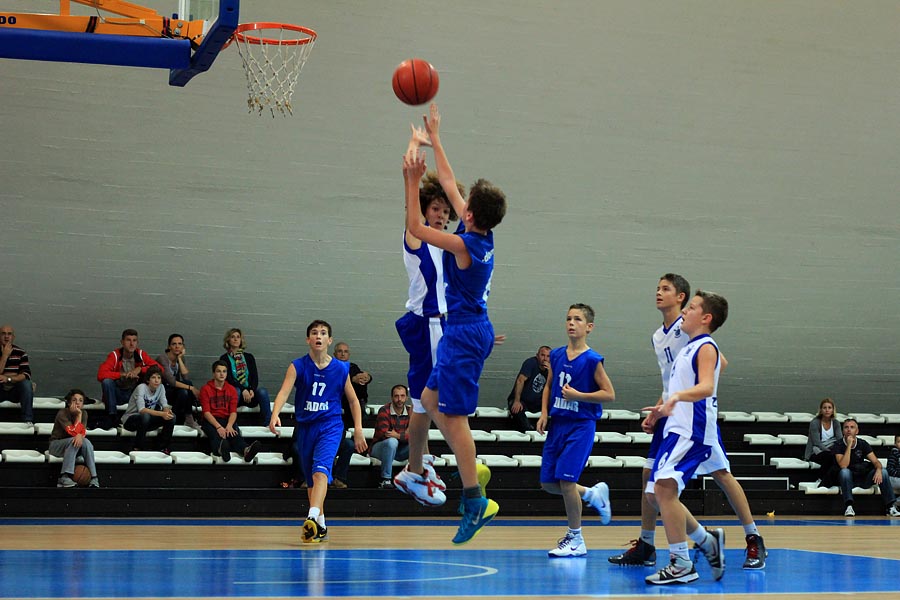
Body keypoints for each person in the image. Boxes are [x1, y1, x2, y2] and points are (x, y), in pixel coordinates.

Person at [395, 103, 507, 545]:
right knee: (428, 401)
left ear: (470, 215)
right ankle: (438, 466)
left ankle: (474, 498)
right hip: (470, 328)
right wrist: (435, 137)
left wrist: (408, 181)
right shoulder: (484, 233)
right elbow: (445, 180)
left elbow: (416, 227)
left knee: (453, 419)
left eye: (462, 207)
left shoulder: (463, 245)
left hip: (461, 333)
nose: (456, 208)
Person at [610, 274, 766, 571]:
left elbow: (717, 365)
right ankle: (648, 544)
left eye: (665, 289)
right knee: (650, 480)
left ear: (681, 298)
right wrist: (658, 408)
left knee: (720, 474)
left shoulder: (693, 334)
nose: (658, 292)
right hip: (672, 413)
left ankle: (753, 536)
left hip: (693, 416)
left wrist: (684, 396)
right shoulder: (659, 335)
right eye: (657, 287)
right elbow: (672, 381)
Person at [393, 127, 466, 504]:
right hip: (427, 324)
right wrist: (415, 148)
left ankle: (415, 469)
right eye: (434, 209)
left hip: (444, 324)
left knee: (423, 403)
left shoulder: (448, 244)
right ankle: (466, 464)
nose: (440, 215)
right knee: (440, 402)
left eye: (445, 210)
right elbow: (411, 187)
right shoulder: (416, 236)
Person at [643, 290, 730, 585]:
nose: (685, 311)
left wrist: (677, 397)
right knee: (655, 494)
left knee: (664, 490)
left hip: (692, 431)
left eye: (691, 308)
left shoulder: (707, 347)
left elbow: (706, 387)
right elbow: (673, 392)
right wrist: (659, 410)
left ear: (706, 318)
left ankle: (681, 563)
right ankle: (706, 541)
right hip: (675, 430)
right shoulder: (687, 349)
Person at [269, 320, 368, 544]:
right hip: (305, 427)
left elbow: (353, 401)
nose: (318, 336)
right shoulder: (297, 366)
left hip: (331, 425)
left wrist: (359, 429)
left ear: (329, 340)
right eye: (314, 333)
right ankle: (320, 524)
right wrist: (275, 413)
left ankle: (311, 516)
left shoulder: (341, 368)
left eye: (323, 333)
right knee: (312, 481)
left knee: (321, 471)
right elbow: (284, 392)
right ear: (308, 339)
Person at [536, 304, 614, 557]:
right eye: (568, 318)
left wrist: (579, 395)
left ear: (588, 327)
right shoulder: (557, 355)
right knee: (549, 484)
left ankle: (576, 538)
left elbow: (609, 394)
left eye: (577, 319)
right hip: (558, 424)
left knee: (567, 482)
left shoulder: (592, 360)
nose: (571, 322)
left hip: (581, 425)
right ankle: (592, 493)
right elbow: (549, 385)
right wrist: (545, 413)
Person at [832, 418, 900, 517]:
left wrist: (878, 469)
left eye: (852, 427)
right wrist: (849, 445)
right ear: (843, 431)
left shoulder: (862, 444)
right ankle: (849, 506)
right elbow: (843, 465)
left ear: (857, 431)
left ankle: (890, 507)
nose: (849, 430)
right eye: (846, 427)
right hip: (847, 480)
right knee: (844, 472)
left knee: (884, 472)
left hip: (862, 477)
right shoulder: (838, 445)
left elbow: (876, 462)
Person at [198, 360, 261, 463]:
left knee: (234, 434)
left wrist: (229, 425)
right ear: (214, 373)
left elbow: (233, 412)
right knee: (215, 434)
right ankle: (221, 450)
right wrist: (218, 427)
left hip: (227, 419)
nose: (222, 374)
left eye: (224, 371)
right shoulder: (205, 389)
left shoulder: (232, 390)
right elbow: (206, 412)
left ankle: (246, 451)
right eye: (219, 371)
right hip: (211, 420)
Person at [97, 328, 160, 426]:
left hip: (134, 394)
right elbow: (101, 374)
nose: (132, 344)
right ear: (122, 342)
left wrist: (140, 369)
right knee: (107, 382)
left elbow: (159, 368)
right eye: (128, 340)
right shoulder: (115, 355)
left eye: (134, 341)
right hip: (118, 394)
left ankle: (154, 412)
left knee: (153, 379)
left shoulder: (140, 354)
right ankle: (112, 416)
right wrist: (122, 374)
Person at [331, 342, 372, 488]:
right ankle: (326, 476)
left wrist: (366, 377)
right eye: (340, 351)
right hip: (333, 413)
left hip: (350, 410)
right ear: (334, 354)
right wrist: (352, 379)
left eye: (345, 351)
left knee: (348, 444)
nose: (343, 354)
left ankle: (339, 478)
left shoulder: (352, 367)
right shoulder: (330, 366)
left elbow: (361, 377)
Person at [220, 328, 272, 426]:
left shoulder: (249, 357)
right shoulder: (224, 358)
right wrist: (243, 389)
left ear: (241, 340)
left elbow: (254, 377)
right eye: (233, 337)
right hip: (236, 395)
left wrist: (251, 389)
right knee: (236, 390)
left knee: (262, 391)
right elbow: (228, 379)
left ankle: (268, 423)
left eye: (238, 337)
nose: (236, 339)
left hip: (250, 394)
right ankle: (231, 423)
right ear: (228, 340)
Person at [48, 389, 99, 488]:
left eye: (80, 400)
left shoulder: (84, 413)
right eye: (74, 400)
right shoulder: (62, 413)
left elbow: (81, 433)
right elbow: (72, 432)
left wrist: (80, 417)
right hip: (56, 445)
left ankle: (94, 477)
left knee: (87, 442)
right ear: (69, 402)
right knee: (73, 440)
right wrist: (78, 416)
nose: (78, 403)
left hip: (73, 446)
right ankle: (64, 476)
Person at [121, 365, 175, 453]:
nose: (157, 380)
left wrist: (167, 411)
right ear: (148, 380)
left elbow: (165, 404)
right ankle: (138, 447)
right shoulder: (141, 388)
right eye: (153, 377)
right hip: (131, 420)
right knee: (145, 416)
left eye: (159, 378)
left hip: (147, 421)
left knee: (172, 417)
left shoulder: (161, 387)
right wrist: (162, 414)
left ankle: (162, 447)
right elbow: (141, 410)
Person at [156, 333, 201, 430]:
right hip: (162, 391)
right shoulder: (162, 358)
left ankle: (180, 418)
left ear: (183, 346)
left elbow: (185, 377)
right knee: (188, 387)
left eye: (180, 344)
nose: (177, 346)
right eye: (174, 344)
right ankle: (187, 417)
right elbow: (171, 381)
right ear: (169, 346)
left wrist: (180, 359)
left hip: (173, 391)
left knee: (184, 391)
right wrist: (191, 388)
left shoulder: (180, 358)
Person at [371, 385, 412, 489]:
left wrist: (398, 435)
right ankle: (386, 479)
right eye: (396, 396)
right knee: (392, 442)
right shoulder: (384, 410)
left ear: (406, 398)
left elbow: (414, 435)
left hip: (400, 450)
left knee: (418, 443)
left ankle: (414, 479)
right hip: (380, 448)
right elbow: (386, 434)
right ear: (391, 397)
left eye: (402, 396)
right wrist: (405, 434)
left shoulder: (411, 411)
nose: (399, 399)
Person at [507, 346, 550, 433]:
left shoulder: (551, 369)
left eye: (548, 356)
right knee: (516, 409)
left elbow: (555, 387)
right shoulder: (531, 363)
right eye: (542, 355)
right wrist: (516, 400)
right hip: (523, 401)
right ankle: (528, 430)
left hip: (537, 403)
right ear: (537, 355)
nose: (545, 359)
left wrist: (551, 373)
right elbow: (520, 380)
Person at [803, 397, 842, 487]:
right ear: (821, 410)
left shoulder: (836, 423)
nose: (827, 410)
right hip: (816, 451)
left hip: (832, 449)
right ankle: (820, 479)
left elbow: (839, 440)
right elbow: (817, 442)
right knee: (831, 457)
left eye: (829, 408)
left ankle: (831, 481)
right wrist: (830, 451)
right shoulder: (815, 423)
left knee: (836, 459)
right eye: (824, 408)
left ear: (833, 410)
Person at [0, 324, 34, 426]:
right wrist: (5, 355)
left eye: (9, 334)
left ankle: (27, 420)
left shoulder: (21, 353)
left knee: (27, 384)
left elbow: (26, 375)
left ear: (13, 337)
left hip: (15, 391)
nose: (6, 336)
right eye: (3, 334)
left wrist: (8, 378)